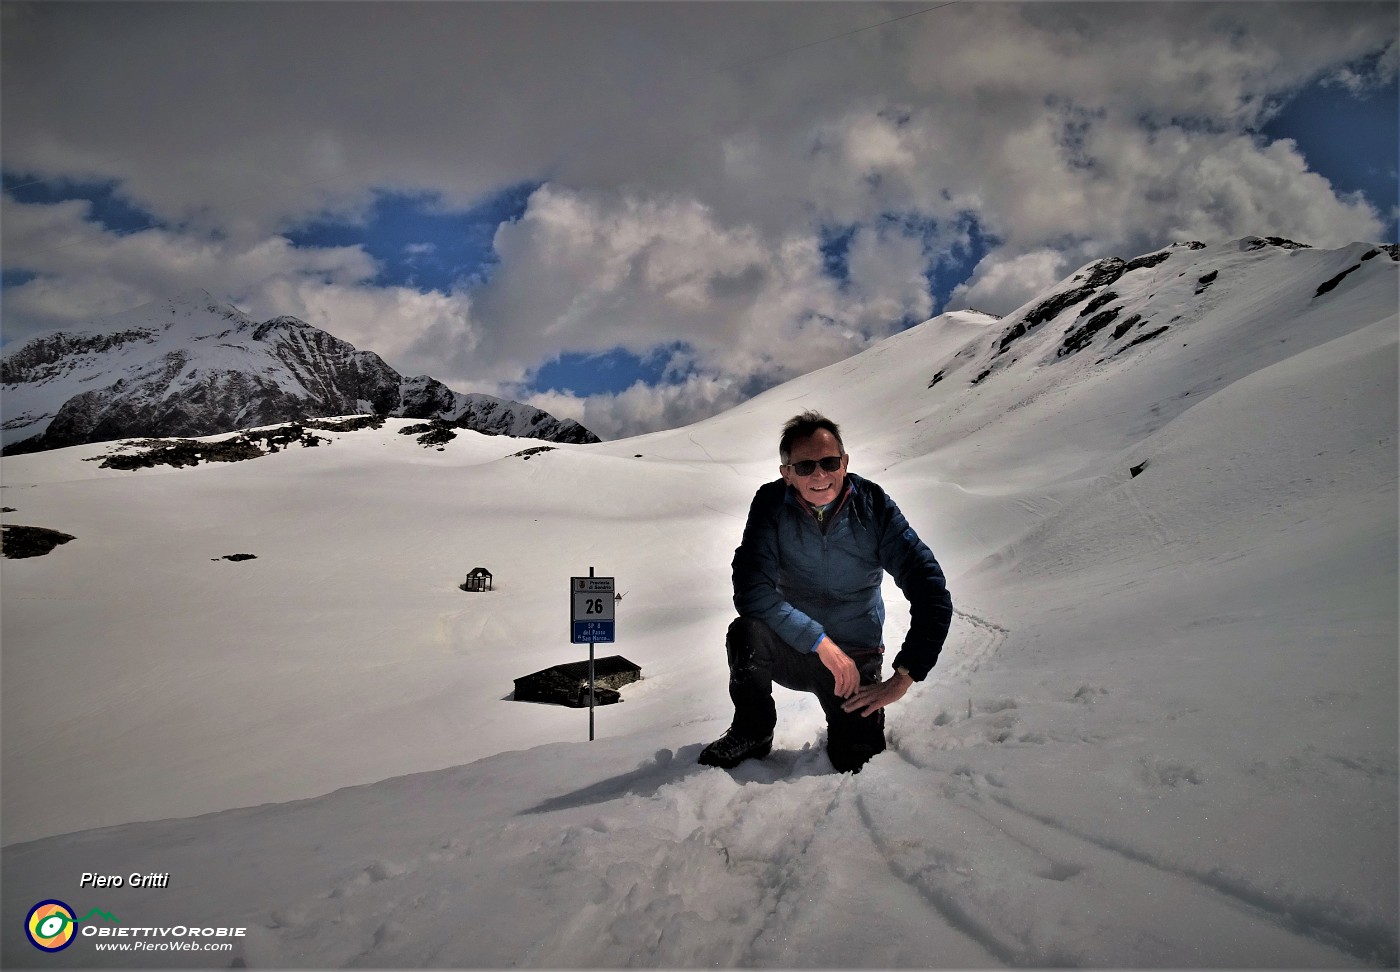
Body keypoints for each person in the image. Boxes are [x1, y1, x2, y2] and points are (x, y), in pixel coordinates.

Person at [698, 411, 953, 773]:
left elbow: (931, 591)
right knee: (746, 633)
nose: (819, 474)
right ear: (787, 472)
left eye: (829, 462)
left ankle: (859, 726)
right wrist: (819, 641)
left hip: (856, 656)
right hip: (795, 648)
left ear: (844, 463)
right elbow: (751, 590)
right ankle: (752, 730)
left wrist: (904, 677)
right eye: (804, 467)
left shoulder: (874, 506)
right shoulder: (771, 504)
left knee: (857, 759)